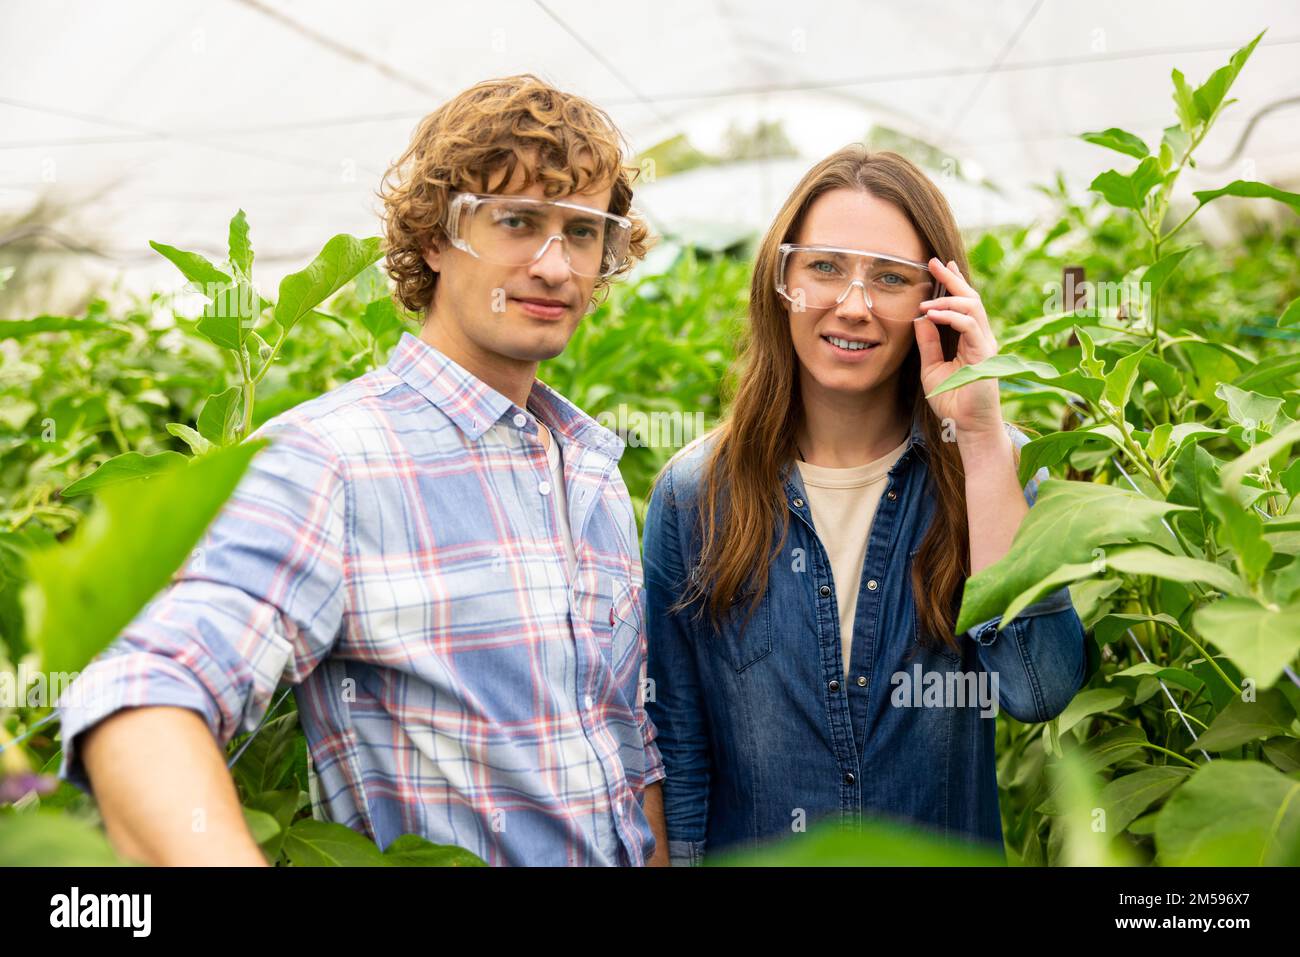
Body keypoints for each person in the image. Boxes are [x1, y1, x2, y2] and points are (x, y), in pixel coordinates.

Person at [56, 74, 669, 867]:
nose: (555, 267)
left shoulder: (589, 467)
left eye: (582, 233)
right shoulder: (328, 459)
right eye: (517, 222)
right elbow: (148, 687)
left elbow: (625, 740)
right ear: (434, 239)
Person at [642, 145, 1094, 865]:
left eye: (890, 277)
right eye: (825, 266)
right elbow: (679, 746)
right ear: (781, 280)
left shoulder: (993, 467)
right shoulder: (696, 495)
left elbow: (1037, 687)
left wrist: (978, 436)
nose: (854, 304)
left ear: (936, 301)